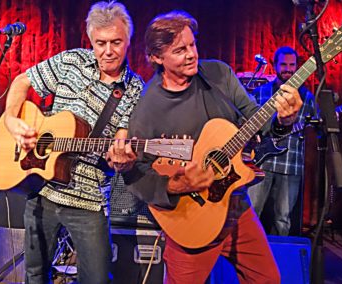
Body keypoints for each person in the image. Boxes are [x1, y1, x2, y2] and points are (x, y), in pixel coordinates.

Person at [124, 11, 303, 283]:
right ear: (157, 58)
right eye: (180, 50)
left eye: (192, 44)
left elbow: (259, 122)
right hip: (190, 220)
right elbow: (136, 173)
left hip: (235, 207)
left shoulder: (218, 74)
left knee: (268, 279)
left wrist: (283, 121)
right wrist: (176, 186)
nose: (191, 54)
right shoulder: (148, 107)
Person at [3, 1, 143, 283]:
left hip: (89, 202)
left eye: (116, 42)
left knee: (97, 279)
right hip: (42, 188)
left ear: (128, 40)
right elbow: (22, 82)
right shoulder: (72, 62)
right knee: (34, 274)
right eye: (100, 42)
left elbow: (120, 144)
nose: (108, 51)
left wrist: (122, 159)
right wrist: (10, 119)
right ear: (91, 40)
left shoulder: (135, 89)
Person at [248, 46, 315, 236]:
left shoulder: (307, 97)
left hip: (291, 165)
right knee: (251, 213)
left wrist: (335, 115)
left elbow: (317, 123)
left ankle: (279, 262)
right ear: (275, 65)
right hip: (261, 163)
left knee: (283, 219)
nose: (288, 69)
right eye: (283, 64)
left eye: (292, 65)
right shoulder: (260, 93)